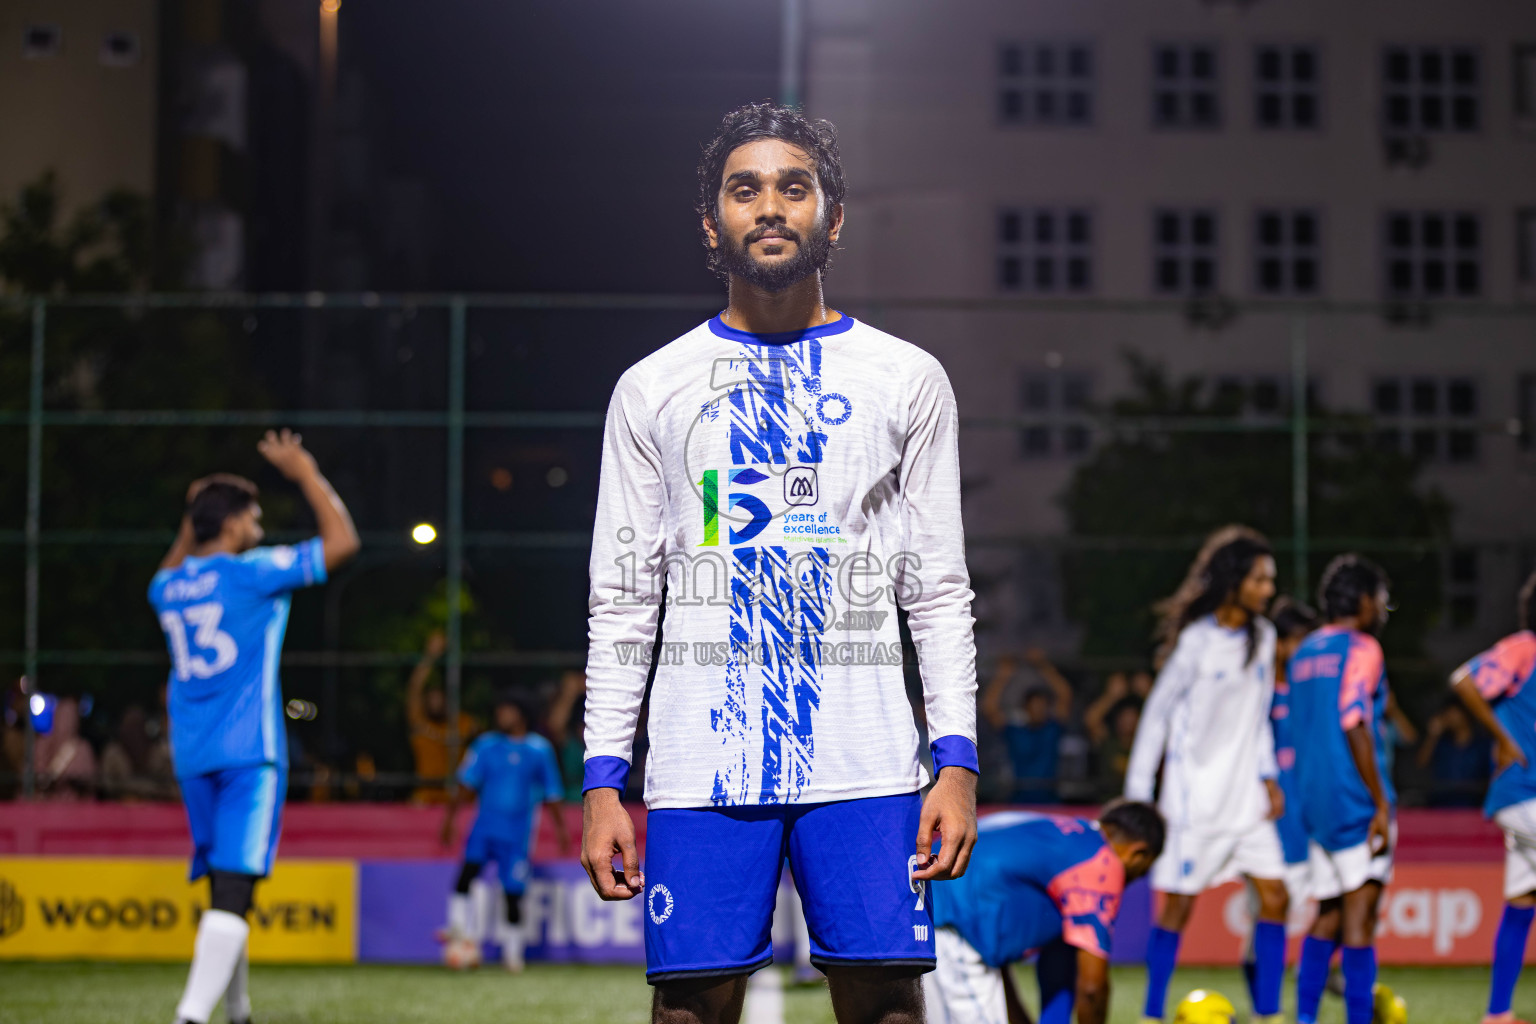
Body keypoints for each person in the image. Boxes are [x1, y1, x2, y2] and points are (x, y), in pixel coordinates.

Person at [580, 102, 980, 1024]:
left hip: (869, 767)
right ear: (710, 222)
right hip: (701, 765)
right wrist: (603, 781)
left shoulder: (906, 378)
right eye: (745, 189)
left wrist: (955, 765)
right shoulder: (651, 388)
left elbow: (939, 590)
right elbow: (624, 598)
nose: (769, 206)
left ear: (831, 218)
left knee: (887, 1006)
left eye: (794, 188)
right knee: (689, 1011)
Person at [149, 430, 359, 1024]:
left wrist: (193, 516)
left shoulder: (167, 587)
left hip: (193, 754)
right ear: (233, 522)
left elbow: (176, 562)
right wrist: (304, 471)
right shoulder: (252, 573)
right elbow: (342, 543)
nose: (259, 525)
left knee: (225, 888)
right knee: (235, 888)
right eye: (253, 515)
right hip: (249, 755)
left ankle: (237, 1010)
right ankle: (190, 1017)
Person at [1124, 526, 1288, 1024]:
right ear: (1235, 581)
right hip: (1193, 805)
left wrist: (1268, 776)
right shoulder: (1196, 642)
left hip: (1247, 802)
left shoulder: (1265, 638)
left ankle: (1267, 1013)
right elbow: (1156, 717)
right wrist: (1138, 795)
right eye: (1260, 579)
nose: (1269, 589)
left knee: (1276, 897)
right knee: (1177, 909)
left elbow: (1258, 716)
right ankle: (1153, 1013)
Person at [924, 800, 1165, 1024]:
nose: (1133, 880)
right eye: (1142, 871)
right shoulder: (1102, 861)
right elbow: (1092, 990)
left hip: (927, 911)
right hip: (951, 924)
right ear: (1139, 853)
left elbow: (1051, 974)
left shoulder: (1062, 835)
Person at [1287, 555, 1395, 1024]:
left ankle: (1305, 1018)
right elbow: (1353, 719)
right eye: (1382, 599)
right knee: (1360, 917)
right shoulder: (1363, 648)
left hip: (1314, 800)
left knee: (1327, 913)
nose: (1384, 609)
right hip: (1354, 799)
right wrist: (1381, 802)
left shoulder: (1304, 653)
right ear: (1364, 600)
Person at [1448, 566, 1536, 1024]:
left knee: (1522, 902)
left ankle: (1497, 1013)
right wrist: (1502, 737)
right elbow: (1464, 679)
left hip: (1523, 801)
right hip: (1523, 794)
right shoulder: (1525, 647)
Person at [439, 692, 571, 971]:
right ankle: (459, 931)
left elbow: (552, 793)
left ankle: (513, 954)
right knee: (466, 875)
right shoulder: (485, 746)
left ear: (521, 713)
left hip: (517, 835)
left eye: (507, 710)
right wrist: (450, 820)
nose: (501, 715)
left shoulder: (539, 749)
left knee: (513, 893)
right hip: (484, 828)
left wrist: (561, 831)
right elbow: (465, 784)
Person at [982, 649, 1074, 804]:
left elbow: (1065, 696)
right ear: (1026, 708)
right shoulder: (1015, 731)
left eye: (1042, 706)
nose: (1039, 710)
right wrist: (1003, 676)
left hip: (1050, 798)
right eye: (1034, 706)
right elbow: (990, 708)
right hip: (1019, 797)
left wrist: (1043, 666)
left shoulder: (1053, 729)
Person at [406, 629, 480, 804]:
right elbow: (414, 689)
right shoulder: (419, 722)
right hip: (426, 797)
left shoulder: (463, 722)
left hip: (459, 800)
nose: (436, 702)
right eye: (431, 698)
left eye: (440, 697)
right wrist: (430, 656)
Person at [1416, 699, 1491, 807]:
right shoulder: (1441, 743)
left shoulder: (1482, 744)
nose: (1449, 717)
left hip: (1473, 805)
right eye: (1447, 713)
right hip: (1440, 804)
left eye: (1453, 712)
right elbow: (1421, 764)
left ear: (1466, 714)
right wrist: (1432, 736)